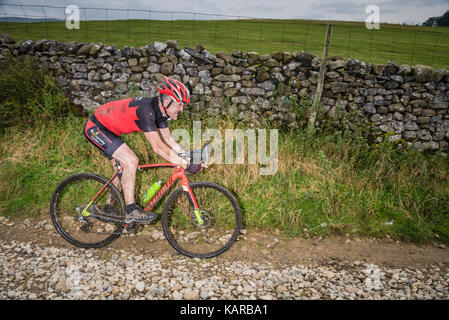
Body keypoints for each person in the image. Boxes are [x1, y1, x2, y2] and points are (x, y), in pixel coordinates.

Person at [84, 76, 203, 223]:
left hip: (110, 130)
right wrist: (184, 164)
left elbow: (168, 140)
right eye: (179, 105)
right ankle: (131, 211)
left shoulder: (161, 112)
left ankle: (108, 208)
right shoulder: (146, 111)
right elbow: (158, 147)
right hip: (96, 127)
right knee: (131, 161)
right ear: (167, 101)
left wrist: (188, 158)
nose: (182, 109)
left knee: (122, 168)